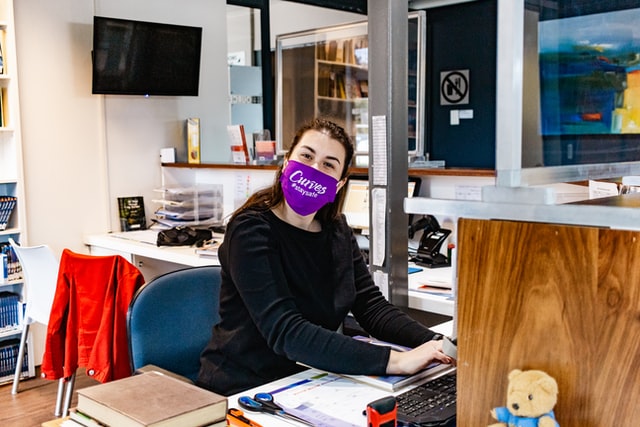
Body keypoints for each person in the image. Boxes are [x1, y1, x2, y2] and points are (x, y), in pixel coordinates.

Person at [197, 118, 453, 396]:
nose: (313, 168)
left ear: (340, 183)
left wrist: (437, 343)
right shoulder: (251, 229)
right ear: (286, 162)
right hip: (244, 386)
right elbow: (286, 331)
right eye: (306, 156)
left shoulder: (336, 230)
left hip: (311, 377)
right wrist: (397, 361)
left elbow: (371, 307)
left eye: (328, 164)